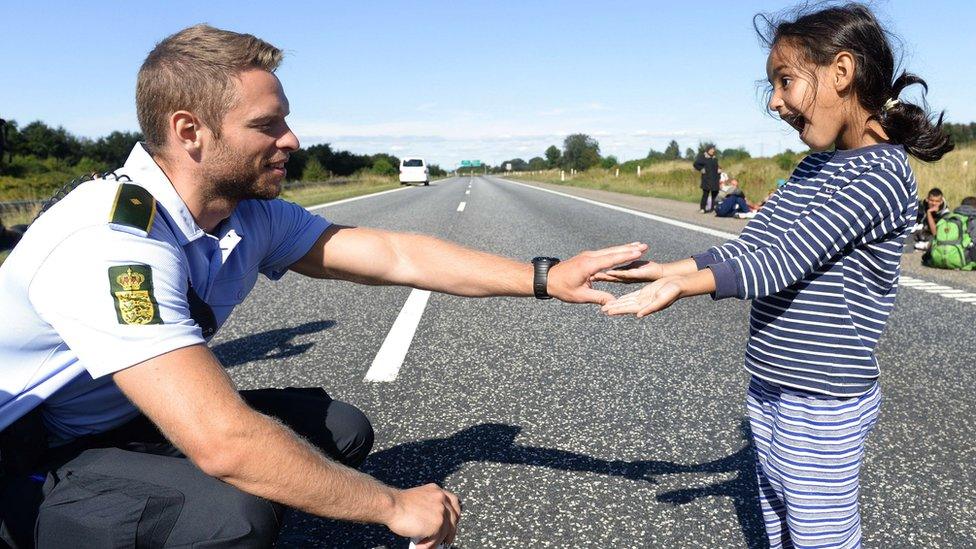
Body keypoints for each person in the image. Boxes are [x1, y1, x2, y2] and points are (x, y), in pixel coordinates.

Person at [0, 25, 647, 549]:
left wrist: (543, 277)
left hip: (124, 417)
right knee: (233, 510)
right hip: (29, 453)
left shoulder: (243, 213)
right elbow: (221, 440)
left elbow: (392, 254)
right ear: (189, 131)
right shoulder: (110, 241)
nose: (293, 140)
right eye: (268, 125)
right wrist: (393, 507)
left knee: (341, 429)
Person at [595, 4, 952, 547]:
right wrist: (672, 267)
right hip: (772, 383)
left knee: (821, 535)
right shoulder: (814, 168)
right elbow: (758, 243)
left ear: (841, 71)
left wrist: (681, 287)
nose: (774, 102)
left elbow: (784, 261)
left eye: (785, 82)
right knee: (779, 520)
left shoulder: (883, 174)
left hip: (824, 396)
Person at [693, 146, 720, 213]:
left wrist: (719, 169)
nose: (712, 151)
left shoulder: (714, 158)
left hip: (715, 178)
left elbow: (716, 166)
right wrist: (701, 169)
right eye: (711, 150)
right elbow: (695, 164)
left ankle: (713, 209)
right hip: (706, 179)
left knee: (714, 195)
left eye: (713, 150)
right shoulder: (703, 157)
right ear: (708, 150)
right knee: (705, 194)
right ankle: (702, 208)